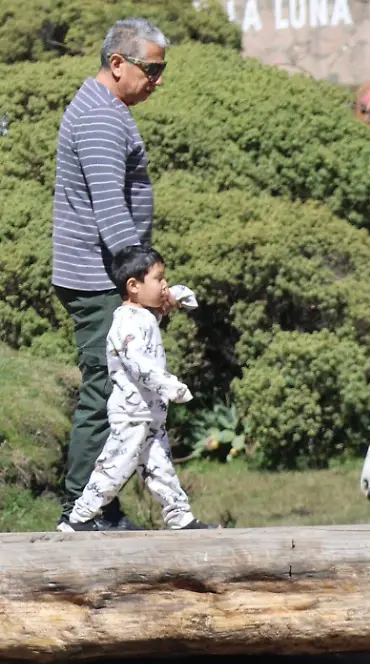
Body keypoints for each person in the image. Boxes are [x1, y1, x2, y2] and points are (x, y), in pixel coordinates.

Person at [52, 18, 174, 530]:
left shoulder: (106, 108)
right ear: (118, 64)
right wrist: (143, 282)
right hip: (101, 281)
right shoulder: (102, 118)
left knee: (116, 390)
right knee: (107, 393)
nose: (159, 80)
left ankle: (97, 506)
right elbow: (111, 213)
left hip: (107, 278)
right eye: (153, 69)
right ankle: (84, 509)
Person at [58, 245, 218, 532]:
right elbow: (139, 364)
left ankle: (180, 517)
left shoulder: (144, 315)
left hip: (151, 416)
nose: (164, 284)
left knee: (161, 470)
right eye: (158, 279)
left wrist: (175, 295)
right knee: (115, 467)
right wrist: (171, 386)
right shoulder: (125, 322)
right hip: (132, 414)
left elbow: (172, 303)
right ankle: (79, 517)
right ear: (133, 286)